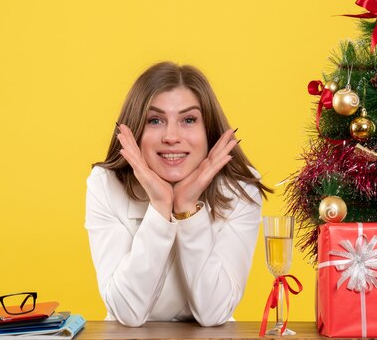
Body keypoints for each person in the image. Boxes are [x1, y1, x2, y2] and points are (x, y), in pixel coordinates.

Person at [85, 61, 271, 327]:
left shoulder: (240, 189)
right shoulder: (105, 185)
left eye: (188, 120)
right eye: (155, 120)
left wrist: (186, 208)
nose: (171, 136)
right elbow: (127, 312)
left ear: (208, 130)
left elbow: (214, 313)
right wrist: (161, 207)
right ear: (136, 129)